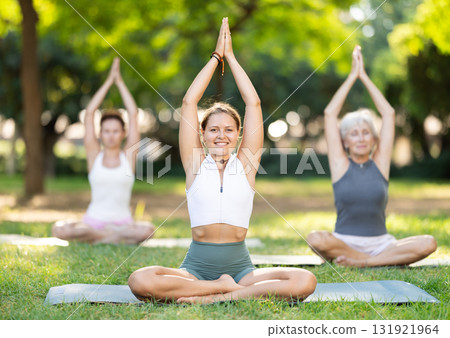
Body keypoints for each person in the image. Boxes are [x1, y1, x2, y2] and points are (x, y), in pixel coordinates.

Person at [128, 18, 316, 304]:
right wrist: (216, 57)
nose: (221, 136)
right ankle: (220, 288)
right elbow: (190, 102)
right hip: (196, 268)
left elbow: (253, 103)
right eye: (213, 129)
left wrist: (232, 58)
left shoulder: (246, 164)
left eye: (229, 130)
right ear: (201, 134)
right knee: (139, 279)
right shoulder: (195, 164)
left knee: (306, 280)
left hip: (241, 269)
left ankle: (218, 294)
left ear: (239, 134)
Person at [307, 46, 437, 267]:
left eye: (366, 133)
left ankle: (364, 261)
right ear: (345, 141)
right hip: (344, 242)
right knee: (314, 238)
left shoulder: (380, 163)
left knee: (428, 243)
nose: (360, 138)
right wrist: (351, 76)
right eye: (354, 134)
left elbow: (388, 113)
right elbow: (330, 114)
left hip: (381, 244)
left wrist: (364, 77)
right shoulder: (340, 164)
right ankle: (374, 261)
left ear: (374, 140)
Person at [52, 58, 155, 244]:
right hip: (93, 222)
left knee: (148, 230)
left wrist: (120, 82)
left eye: (116, 131)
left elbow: (133, 114)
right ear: (100, 133)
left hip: (122, 224)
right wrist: (109, 81)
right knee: (58, 228)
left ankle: (102, 237)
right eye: (106, 131)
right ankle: (109, 237)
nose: (111, 135)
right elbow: (90, 113)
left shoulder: (128, 157)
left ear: (123, 133)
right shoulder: (94, 155)